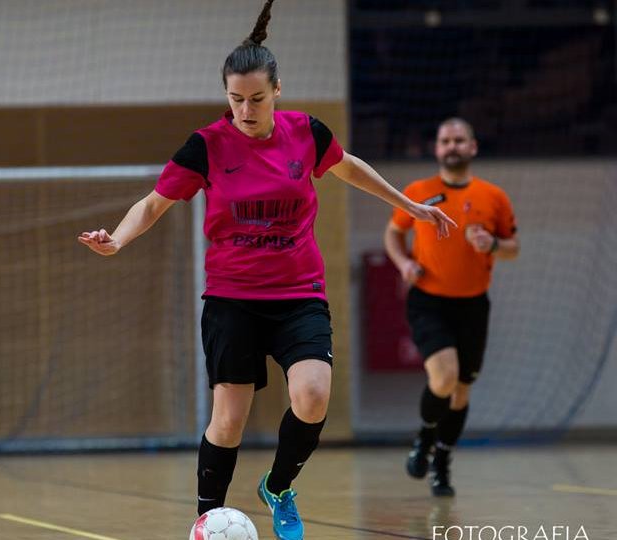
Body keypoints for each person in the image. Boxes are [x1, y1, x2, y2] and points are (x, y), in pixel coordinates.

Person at [78, 2, 456, 538]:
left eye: (257, 98)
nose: (246, 110)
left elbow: (351, 170)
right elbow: (154, 203)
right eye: (235, 100)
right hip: (232, 297)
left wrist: (410, 206)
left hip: (298, 291)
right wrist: (116, 238)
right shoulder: (207, 145)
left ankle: (278, 486)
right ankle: (206, 517)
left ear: (278, 89)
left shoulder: (307, 133)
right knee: (228, 420)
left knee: (313, 394)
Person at [384, 117, 519, 497]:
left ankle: (441, 463)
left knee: (460, 391)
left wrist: (491, 245)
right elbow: (394, 232)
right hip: (428, 301)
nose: (452, 146)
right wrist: (404, 263)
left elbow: (514, 247)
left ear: (473, 147)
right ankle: (424, 440)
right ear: (437, 148)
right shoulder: (417, 191)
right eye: (445, 140)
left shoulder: (494, 197)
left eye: (459, 140)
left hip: (474, 305)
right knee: (443, 377)